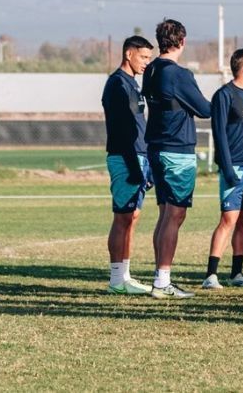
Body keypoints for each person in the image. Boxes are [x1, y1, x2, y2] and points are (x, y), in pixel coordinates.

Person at [142, 19, 212, 299]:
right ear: (182, 41)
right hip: (176, 150)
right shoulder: (178, 74)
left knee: (164, 215)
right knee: (175, 215)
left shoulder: (151, 70)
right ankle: (162, 281)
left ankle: (161, 278)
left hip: (156, 147)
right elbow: (204, 108)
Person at [202, 49, 243, 290]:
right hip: (234, 168)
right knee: (228, 219)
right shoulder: (224, 95)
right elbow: (219, 134)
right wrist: (227, 168)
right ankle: (211, 275)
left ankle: (237, 273)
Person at [102, 35, 155, 295]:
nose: (147, 63)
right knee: (122, 217)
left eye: (149, 58)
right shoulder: (116, 84)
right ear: (128, 54)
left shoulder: (134, 85)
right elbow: (121, 130)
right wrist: (134, 166)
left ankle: (125, 276)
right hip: (125, 158)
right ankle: (116, 279)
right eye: (143, 57)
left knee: (132, 217)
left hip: (140, 156)